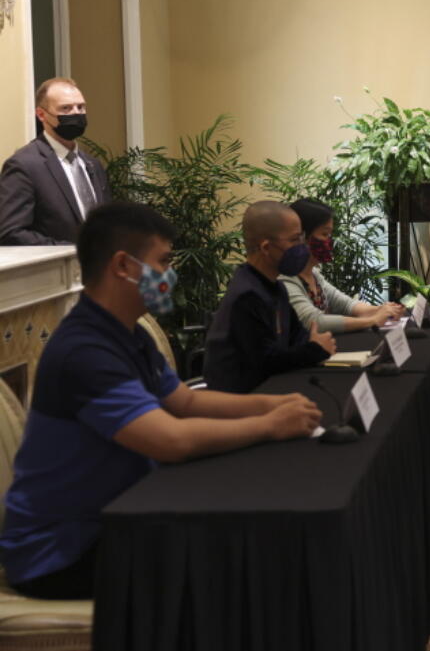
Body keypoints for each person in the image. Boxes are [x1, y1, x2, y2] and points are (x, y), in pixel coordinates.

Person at [0, 202, 322, 599]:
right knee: (247, 562)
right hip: (63, 553)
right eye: (164, 261)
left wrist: (273, 403)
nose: (171, 273)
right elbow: (170, 440)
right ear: (123, 266)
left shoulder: (126, 333)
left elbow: (185, 402)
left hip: (118, 519)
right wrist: (270, 425)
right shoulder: (82, 351)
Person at [203, 201, 337, 393]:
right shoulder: (246, 296)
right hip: (242, 402)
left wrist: (310, 345)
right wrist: (313, 350)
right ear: (266, 247)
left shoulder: (276, 287)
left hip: (273, 388)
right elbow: (264, 362)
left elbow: (297, 336)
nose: (303, 248)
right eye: (294, 240)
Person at [0, 77, 112, 245]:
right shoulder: (24, 165)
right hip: (58, 268)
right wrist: (67, 252)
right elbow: (12, 233)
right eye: (65, 108)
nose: (76, 113)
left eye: (80, 107)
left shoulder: (92, 165)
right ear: (41, 114)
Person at [280, 198, 404, 332]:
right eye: (324, 234)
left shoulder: (313, 275)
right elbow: (314, 322)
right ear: (301, 237)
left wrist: (382, 310)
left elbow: (347, 305)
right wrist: (372, 321)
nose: (329, 241)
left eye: (330, 234)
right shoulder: (284, 279)